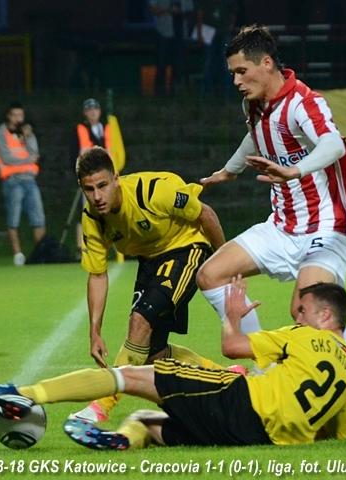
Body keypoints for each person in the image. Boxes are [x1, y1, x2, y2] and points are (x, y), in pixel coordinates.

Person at [196, 25, 346, 433]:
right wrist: (230, 170)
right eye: (233, 73)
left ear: (267, 63)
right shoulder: (255, 106)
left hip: (329, 225)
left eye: (241, 71)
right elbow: (255, 139)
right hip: (283, 226)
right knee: (211, 273)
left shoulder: (303, 103)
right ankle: (263, 371)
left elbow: (332, 145)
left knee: (306, 307)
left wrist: (295, 170)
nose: (236, 81)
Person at [0, 275, 346, 449]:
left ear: (326, 316)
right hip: (257, 436)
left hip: (239, 401)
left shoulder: (304, 336)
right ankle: (124, 439)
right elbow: (330, 434)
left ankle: (22, 393)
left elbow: (232, 347)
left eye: (304, 311)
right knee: (146, 419)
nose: (298, 316)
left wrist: (232, 316)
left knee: (129, 375)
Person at [68, 146, 229, 424]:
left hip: (186, 247)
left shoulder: (153, 191)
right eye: (89, 189)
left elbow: (206, 215)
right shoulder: (93, 218)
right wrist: (94, 332)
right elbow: (97, 275)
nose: (97, 197)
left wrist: (226, 263)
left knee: (139, 322)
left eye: (102, 186)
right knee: (153, 354)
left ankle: (101, 406)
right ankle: (227, 376)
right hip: (150, 261)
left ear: (116, 178)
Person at [0, 102, 46, 266]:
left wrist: (27, 137)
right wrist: (28, 159)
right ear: (8, 116)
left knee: (38, 217)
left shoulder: (28, 132)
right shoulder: (1, 133)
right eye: (15, 115)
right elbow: (7, 158)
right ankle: (18, 254)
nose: (18, 119)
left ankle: (41, 253)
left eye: (20, 115)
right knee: (13, 218)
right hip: (12, 180)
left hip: (30, 179)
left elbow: (35, 154)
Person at [70, 98, 112, 256]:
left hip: (104, 177)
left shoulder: (105, 128)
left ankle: (105, 244)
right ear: (85, 113)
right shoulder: (80, 128)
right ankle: (82, 247)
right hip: (87, 176)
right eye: (89, 110)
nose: (93, 112)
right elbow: (79, 152)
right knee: (86, 211)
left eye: (95, 109)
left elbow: (111, 151)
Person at [150, 0, 194, 95]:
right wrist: (168, 10)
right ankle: (160, 94)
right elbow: (153, 10)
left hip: (181, 34)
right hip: (163, 33)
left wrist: (181, 12)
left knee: (178, 66)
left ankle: (175, 93)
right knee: (161, 64)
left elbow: (191, 11)